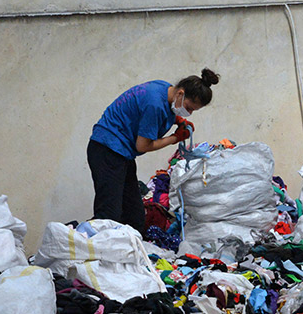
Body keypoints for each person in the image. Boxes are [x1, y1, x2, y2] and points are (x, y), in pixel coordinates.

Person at [87, 68, 219, 232]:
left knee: (134, 217)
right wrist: (175, 138)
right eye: (188, 107)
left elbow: (161, 109)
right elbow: (142, 145)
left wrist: (178, 120)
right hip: (107, 149)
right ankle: (96, 250)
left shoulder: (164, 88)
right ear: (180, 94)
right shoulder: (154, 106)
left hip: (122, 153)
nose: (189, 113)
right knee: (109, 214)